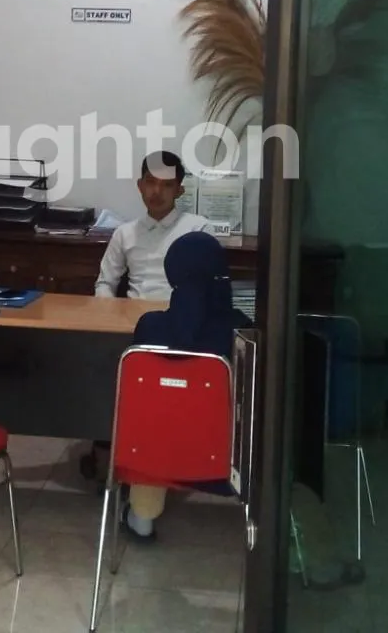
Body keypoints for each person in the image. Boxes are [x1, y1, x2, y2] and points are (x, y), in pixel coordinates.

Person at [121, 231, 251, 541]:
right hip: (221, 460)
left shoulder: (150, 327)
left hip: (153, 455)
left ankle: (142, 517)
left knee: (154, 421)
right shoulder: (242, 331)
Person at [94, 152, 211, 301]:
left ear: (179, 191)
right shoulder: (124, 233)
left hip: (181, 313)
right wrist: (109, 311)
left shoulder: (198, 229)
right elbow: (105, 283)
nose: (157, 191)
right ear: (140, 186)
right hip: (134, 312)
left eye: (167, 184)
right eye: (150, 182)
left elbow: (208, 287)